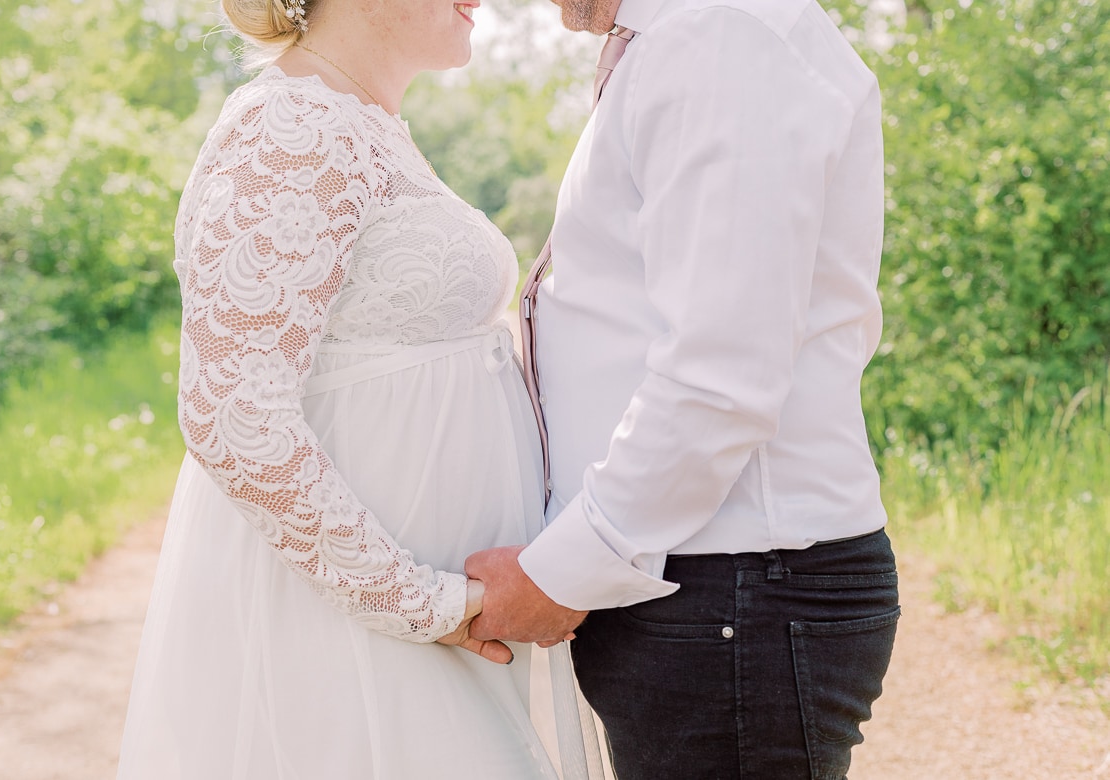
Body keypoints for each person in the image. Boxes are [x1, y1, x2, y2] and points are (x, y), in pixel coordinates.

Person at [117, 0, 568, 777]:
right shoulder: (289, 124)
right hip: (351, 628)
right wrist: (416, 601)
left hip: (410, 621)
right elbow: (232, 411)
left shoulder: (361, 120)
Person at [466, 0, 902, 777]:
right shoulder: (695, 38)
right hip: (709, 578)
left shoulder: (723, 35)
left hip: (734, 586)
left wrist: (565, 571)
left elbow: (720, 371)